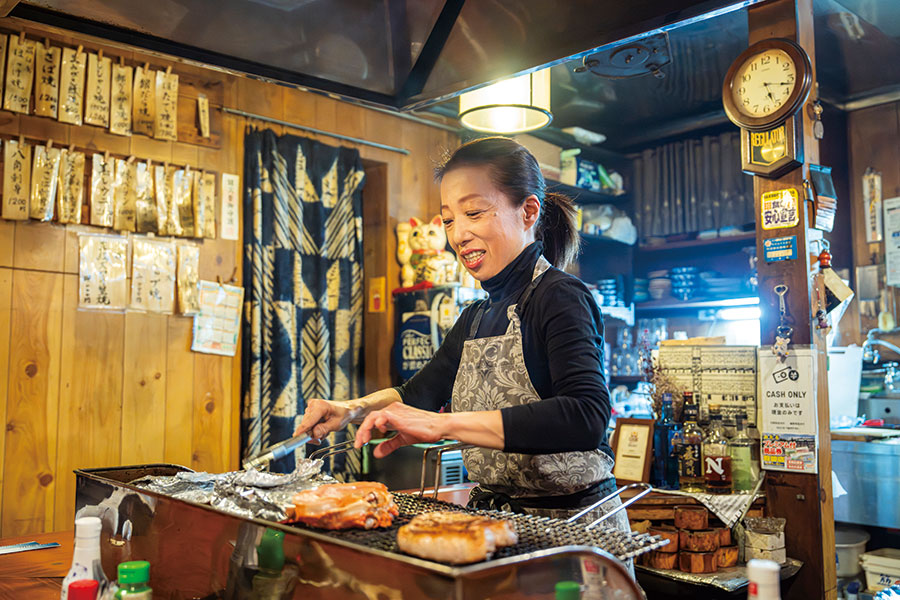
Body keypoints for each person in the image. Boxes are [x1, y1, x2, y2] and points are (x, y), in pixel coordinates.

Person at [295, 136, 629, 535]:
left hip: (572, 529)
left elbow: (585, 415)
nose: (458, 235)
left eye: (473, 212)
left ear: (528, 211)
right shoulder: (476, 315)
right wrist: (350, 409)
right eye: (449, 219)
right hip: (502, 525)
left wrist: (444, 425)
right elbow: (417, 394)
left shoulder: (559, 296)